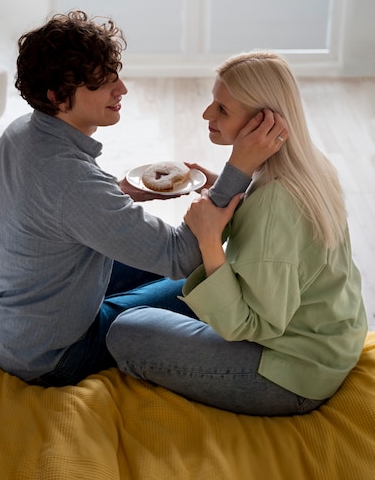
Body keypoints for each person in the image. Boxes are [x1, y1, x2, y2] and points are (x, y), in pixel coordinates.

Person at [0, 12, 287, 387]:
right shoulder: (74, 184)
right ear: (58, 96)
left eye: (115, 74)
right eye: (102, 84)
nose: (121, 89)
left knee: (166, 263)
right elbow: (182, 255)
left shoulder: (19, 133)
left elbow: (52, 214)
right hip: (49, 356)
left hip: (7, 323)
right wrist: (241, 165)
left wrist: (119, 192)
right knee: (208, 280)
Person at [106, 50, 368, 416]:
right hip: (329, 343)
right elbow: (280, 246)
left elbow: (251, 325)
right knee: (176, 284)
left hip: (290, 375)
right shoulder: (308, 165)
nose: (207, 114)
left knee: (125, 330)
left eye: (222, 109)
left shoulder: (276, 204)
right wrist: (230, 190)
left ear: (260, 123)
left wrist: (210, 241)